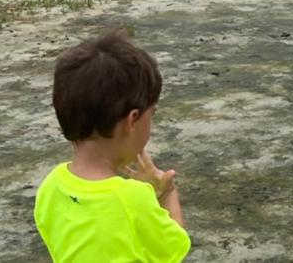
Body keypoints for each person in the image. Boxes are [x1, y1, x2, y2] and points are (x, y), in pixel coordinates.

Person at [34, 32, 191, 263]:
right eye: (152, 114)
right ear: (132, 120)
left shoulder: (50, 187)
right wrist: (167, 194)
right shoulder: (131, 199)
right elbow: (174, 249)